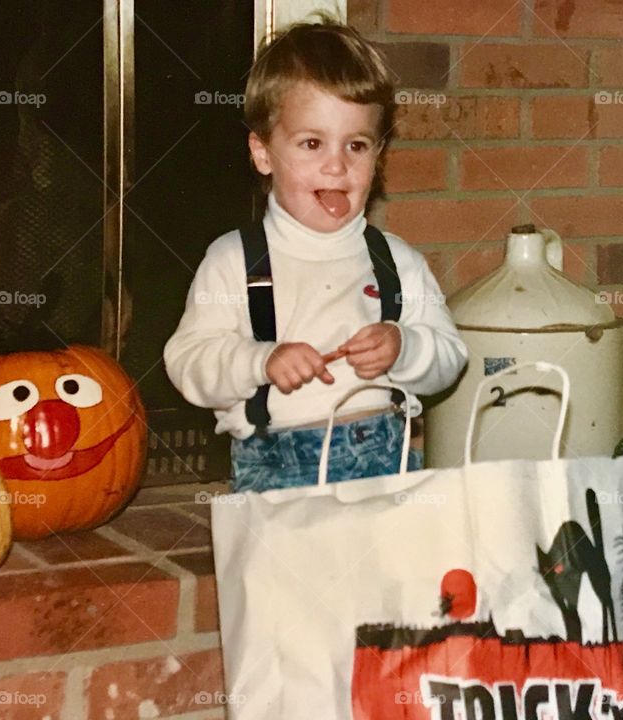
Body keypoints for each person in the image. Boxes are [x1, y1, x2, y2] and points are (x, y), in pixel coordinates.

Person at [164, 18, 467, 492]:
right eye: (311, 143)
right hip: (277, 465)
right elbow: (188, 361)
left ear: (378, 157)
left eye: (357, 145)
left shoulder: (396, 261)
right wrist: (260, 361)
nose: (336, 164)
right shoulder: (234, 261)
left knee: (387, 567)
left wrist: (404, 346)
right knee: (283, 568)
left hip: (384, 461)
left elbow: (451, 355)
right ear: (263, 153)